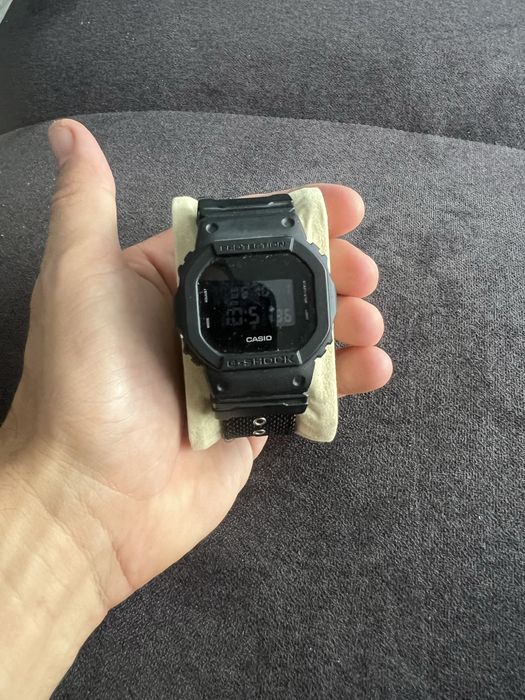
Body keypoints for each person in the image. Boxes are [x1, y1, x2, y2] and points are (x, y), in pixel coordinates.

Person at [0, 119, 393, 698]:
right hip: (244, 374)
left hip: (275, 369)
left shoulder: (289, 291)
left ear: (319, 305)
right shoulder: (219, 302)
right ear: (187, 314)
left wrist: (61, 522)